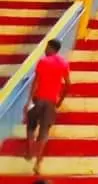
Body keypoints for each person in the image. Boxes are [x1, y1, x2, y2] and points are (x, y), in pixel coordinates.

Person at [24, 38, 71, 174]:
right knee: (44, 133)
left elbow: (36, 83)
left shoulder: (43, 61)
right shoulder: (63, 63)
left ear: (51, 48)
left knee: (31, 125)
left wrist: (28, 101)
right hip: (51, 101)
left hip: (38, 99)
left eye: (47, 47)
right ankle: (38, 163)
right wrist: (60, 100)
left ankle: (29, 151)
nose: (45, 49)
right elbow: (68, 84)